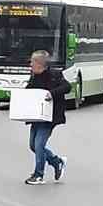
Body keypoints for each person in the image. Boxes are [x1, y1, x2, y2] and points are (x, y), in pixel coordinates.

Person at [22, 49, 69, 185]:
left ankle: (38, 175)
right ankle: (57, 161)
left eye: (32, 62)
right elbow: (30, 91)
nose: (30, 64)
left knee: (39, 145)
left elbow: (67, 87)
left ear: (39, 64)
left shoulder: (54, 75)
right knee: (33, 145)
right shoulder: (34, 76)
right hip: (36, 116)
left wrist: (51, 94)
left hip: (49, 117)